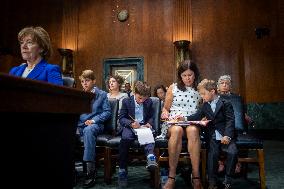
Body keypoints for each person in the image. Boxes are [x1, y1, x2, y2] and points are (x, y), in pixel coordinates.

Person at [186, 79, 238, 189]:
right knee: (212, 155)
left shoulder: (225, 103)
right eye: (201, 94)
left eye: (203, 94)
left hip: (225, 135)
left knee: (233, 152)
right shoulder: (205, 106)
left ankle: (228, 180)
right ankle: (212, 181)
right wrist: (184, 118)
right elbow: (196, 116)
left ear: (212, 91)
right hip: (213, 136)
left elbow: (230, 120)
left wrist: (227, 136)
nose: (202, 96)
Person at [161, 60, 202, 189]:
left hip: (192, 121)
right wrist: (165, 113)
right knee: (177, 130)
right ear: (180, 76)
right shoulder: (173, 88)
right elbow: (166, 108)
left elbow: (203, 109)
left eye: (190, 75)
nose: (187, 78)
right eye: (184, 75)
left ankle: (196, 177)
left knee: (193, 131)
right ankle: (171, 177)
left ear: (195, 74)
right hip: (175, 123)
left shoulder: (200, 89)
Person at [117, 81, 157, 187]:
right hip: (130, 127)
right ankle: (122, 170)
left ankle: (151, 158)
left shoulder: (148, 102)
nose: (142, 101)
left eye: (145, 98)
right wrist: (131, 123)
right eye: (140, 98)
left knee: (149, 137)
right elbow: (122, 118)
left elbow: (152, 116)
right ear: (135, 93)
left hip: (143, 127)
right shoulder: (126, 101)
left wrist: (149, 123)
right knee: (125, 139)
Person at [77, 70, 111, 188]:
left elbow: (107, 113)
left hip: (96, 124)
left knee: (88, 130)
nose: (84, 84)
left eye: (87, 81)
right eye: (82, 81)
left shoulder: (102, 94)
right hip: (80, 124)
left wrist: (93, 120)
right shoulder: (79, 95)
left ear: (93, 81)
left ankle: (90, 172)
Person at [217, 75, 254, 174]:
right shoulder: (213, 97)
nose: (225, 85)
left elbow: (240, 112)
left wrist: (244, 115)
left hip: (234, 127)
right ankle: (220, 161)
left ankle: (237, 161)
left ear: (231, 86)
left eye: (227, 83)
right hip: (220, 125)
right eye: (222, 83)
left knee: (236, 131)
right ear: (218, 86)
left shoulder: (236, 98)